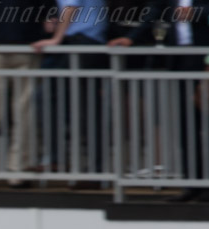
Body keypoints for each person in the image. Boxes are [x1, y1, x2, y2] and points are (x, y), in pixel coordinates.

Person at [109, 0, 209, 201]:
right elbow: (152, 15)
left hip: (204, 58)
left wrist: (197, 14)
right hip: (181, 60)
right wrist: (130, 39)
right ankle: (193, 184)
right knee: (186, 125)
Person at [0, 0, 53, 187]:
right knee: (9, 113)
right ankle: (12, 171)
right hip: (14, 46)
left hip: (16, 47)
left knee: (2, 114)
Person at [30, 0, 109, 175]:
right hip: (87, 41)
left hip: (82, 42)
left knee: (50, 97)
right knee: (86, 107)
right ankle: (92, 167)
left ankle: (58, 158)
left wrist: (56, 38)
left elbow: (71, 7)